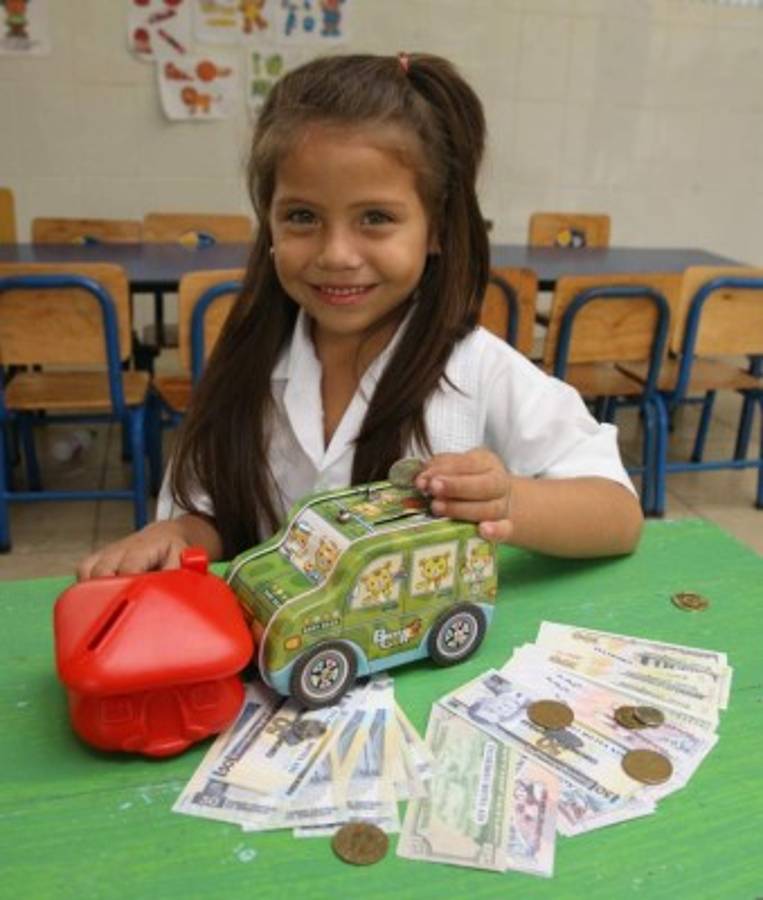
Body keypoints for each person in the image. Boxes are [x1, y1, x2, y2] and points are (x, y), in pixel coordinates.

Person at [77, 52, 643, 580]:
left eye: (375, 218)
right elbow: (212, 513)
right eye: (302, 216)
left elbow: (617, 513)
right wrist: (177, 534)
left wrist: (510, 499)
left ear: (436, 229)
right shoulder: (246, 366)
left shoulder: (479, 369)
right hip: (281, 644)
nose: (336, 255)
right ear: (268, 223)